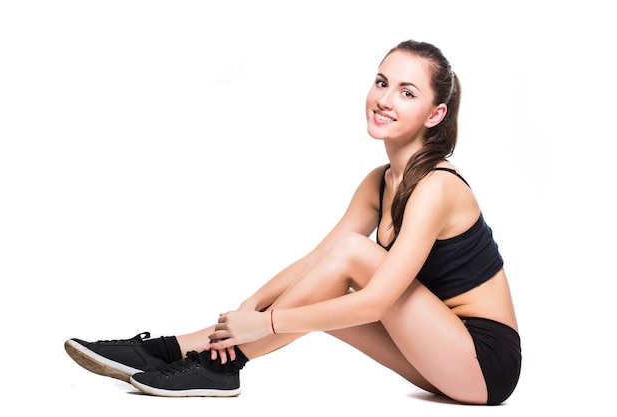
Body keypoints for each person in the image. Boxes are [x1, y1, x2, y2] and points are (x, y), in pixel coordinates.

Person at [65, 39, 522, 405]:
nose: (385, 99)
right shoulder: (377, 182)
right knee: (329, 274)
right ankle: (173, 350)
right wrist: (251, 305)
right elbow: (317, 261)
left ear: (435, 114)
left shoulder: (438, 186)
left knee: (353, 258)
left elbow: (375, 299)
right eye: (381, 83)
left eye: (407, 92)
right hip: (435, 359)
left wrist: (267, 324)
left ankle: (221, 366)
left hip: (483, 363)